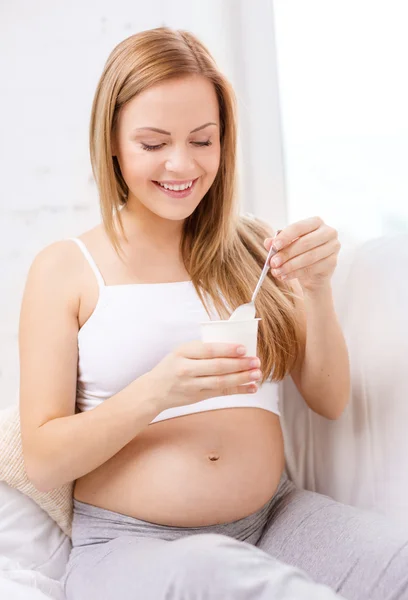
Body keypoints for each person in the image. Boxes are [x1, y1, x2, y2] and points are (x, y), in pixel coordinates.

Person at [18, 27, 408, 600]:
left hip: (275, 521)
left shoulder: (254, 248)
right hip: (132, 546)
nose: (182, 164)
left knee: (396, 563)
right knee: (218, 573)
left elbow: (328, 400)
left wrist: (317, 289)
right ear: (112, 143)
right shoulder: (67, 269)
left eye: (203, 140)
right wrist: (158, 392)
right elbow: (45, 461)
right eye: (153, 143)